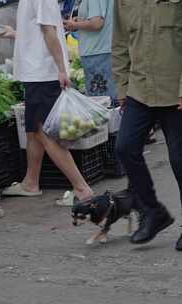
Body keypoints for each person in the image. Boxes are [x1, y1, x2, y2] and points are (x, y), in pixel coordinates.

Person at [0, 0, 94, 205]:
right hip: (36, 74)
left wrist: (61, 69)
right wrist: (14, 33)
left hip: (43, 74)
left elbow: (49, 32)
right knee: (33, 131)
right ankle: (30, 182)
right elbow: (38, 31)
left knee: (45, 132)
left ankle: (82, 189)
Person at [112, 0, 182, 250]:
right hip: (139, 90)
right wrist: (122, 87)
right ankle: (153, 212)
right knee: (125, 147)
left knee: (179, 159)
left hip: (175, 92)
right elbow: (120, 43)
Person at [63, 0, 117, 104]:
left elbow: (97, 23)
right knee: (108, 102)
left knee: (101, 105)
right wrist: (79, 21)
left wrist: (75, 25)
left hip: (98, 53)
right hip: (101, 52)